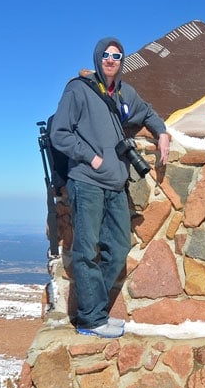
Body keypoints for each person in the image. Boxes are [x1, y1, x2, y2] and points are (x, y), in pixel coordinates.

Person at [50, 37, 171, 338]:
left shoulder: (125, 94)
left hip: (116, 184)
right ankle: (91, 319)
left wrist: (162, 132)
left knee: (117, 249)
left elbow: (148, 112)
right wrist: (90, 158)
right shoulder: (78, 90)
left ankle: (95, 311)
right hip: (87, 182)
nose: (111, 59)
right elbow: (59, 134)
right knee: (87, 250)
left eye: (116, 56)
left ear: (122, 60)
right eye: (105, 55)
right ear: (97, 57)